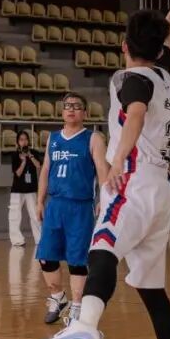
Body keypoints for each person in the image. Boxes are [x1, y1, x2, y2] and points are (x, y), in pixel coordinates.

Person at [32, 0, 170, 339]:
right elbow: (162, 31)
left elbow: (134, 115)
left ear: (124, 46)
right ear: (159, 48)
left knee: (101, 248)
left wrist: (117, 160)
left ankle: (85, 325)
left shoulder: (133, 78)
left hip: (133, 180)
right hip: (161, 192)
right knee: (152, 290)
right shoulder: (164, 75)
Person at [32, 95, 107, 325]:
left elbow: (102, 170)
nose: (71, 110)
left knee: (77, 259)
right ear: (62, 111)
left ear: (85, 112)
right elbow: (45, 170)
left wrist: (103, 198)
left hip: (80, 206)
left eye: (76, 106)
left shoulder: (93, 138)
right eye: (67, 106)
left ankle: (76, 307)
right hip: (55, 204)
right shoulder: (53, 138)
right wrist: (40, 201)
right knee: (46, 256)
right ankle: (58, 298)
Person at [8, 130, 42, 248]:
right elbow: (17, 173)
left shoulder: (34, 153)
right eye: (21, 140)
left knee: (35, 214)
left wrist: (30, 157)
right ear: (18, 142)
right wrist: (23, 161)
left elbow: (39, 165)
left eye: (26, 139)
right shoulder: (14, 155)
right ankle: (17, 240)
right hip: (17, 189)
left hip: (31, 189)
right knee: (15, 215)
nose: (24, 142)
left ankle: (40, 239)